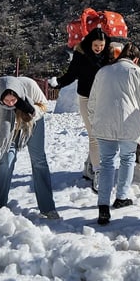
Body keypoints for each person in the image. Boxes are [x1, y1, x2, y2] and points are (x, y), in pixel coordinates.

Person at [86, 42, 140, 225]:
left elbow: (92, 102)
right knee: (127, 158)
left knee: (107, 163)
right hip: (130, 125)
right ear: (135, 59)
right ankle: (121, 197)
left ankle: (103, 205)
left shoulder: (103, 72)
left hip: (104, 124)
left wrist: (95, 118)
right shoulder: (138, 73)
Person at [0, 77, 59, 219]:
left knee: (39, 160)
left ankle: (48, 208)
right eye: (6, 101)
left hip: (32, 121)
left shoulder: (30, 85)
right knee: (6, 161)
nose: (10, 104)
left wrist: (30, 108)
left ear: (18, 96)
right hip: (8, 126)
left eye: (13, 101)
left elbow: (44, 106)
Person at [48, 28, 109, 183]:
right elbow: (71, 74)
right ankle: (97, 173)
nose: (99, 48)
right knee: (94, 136)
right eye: (96, 45)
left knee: (101, 137)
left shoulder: (108, 55)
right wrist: (58, 83)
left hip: (104, 100)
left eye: (101, 45)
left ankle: (89, 167)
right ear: (90, 43)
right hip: (86, 99)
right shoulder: (81, 55)